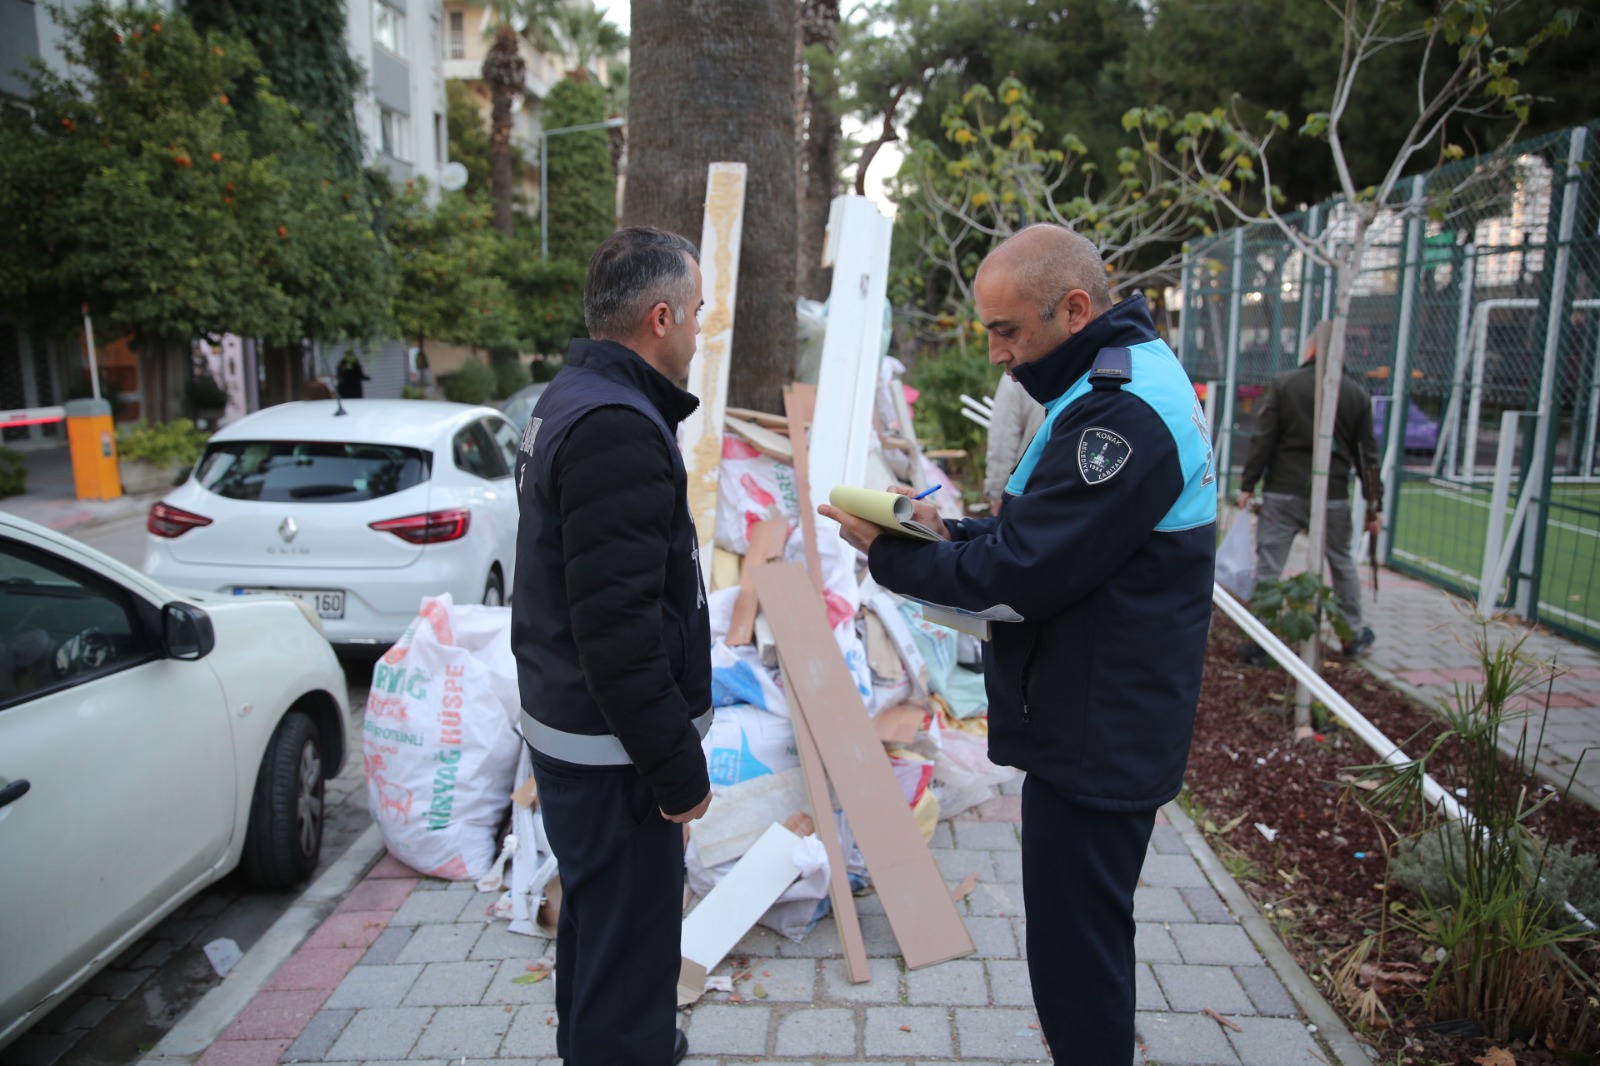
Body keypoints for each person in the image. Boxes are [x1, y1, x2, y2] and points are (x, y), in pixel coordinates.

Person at [820, 223, 1217, 1065]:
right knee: (1079, 947)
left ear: (1074, 309)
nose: (998, 353)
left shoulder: (1122, 414)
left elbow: (1024, 576)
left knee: (1078, 963)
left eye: (1008, 330)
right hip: (1098, 715)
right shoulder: (1118, 380)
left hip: (1099, 730)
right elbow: (1055, 532)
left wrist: (889, 552)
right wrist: (944, 527)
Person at [510, 226, 711, 1066]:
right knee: (629, 962)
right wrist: (678, 770)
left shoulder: (572, 397)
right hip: (614, 754)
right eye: (698, 311)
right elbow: (617, 633)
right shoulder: (616, 428)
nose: (704, 329)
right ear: (660, 318)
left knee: (599, 936)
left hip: (584, 740)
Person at [1237, 320, 1382, 655]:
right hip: (1332, 496)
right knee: (1342, 562)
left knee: (1269, 565)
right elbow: (1367, 458)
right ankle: (1353, 634)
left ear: (1312, 348)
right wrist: (1374, 506)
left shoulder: (1285, 385)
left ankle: (1262, 640)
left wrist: (1248, 485)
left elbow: (1264, 440)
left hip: (1282, 492)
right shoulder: (1356, 396)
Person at [983, 370, 1046, 514]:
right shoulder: (1089, 369)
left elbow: (1003, 440)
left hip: (1025, 491)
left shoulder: (1017, 375)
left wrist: (997, 493)